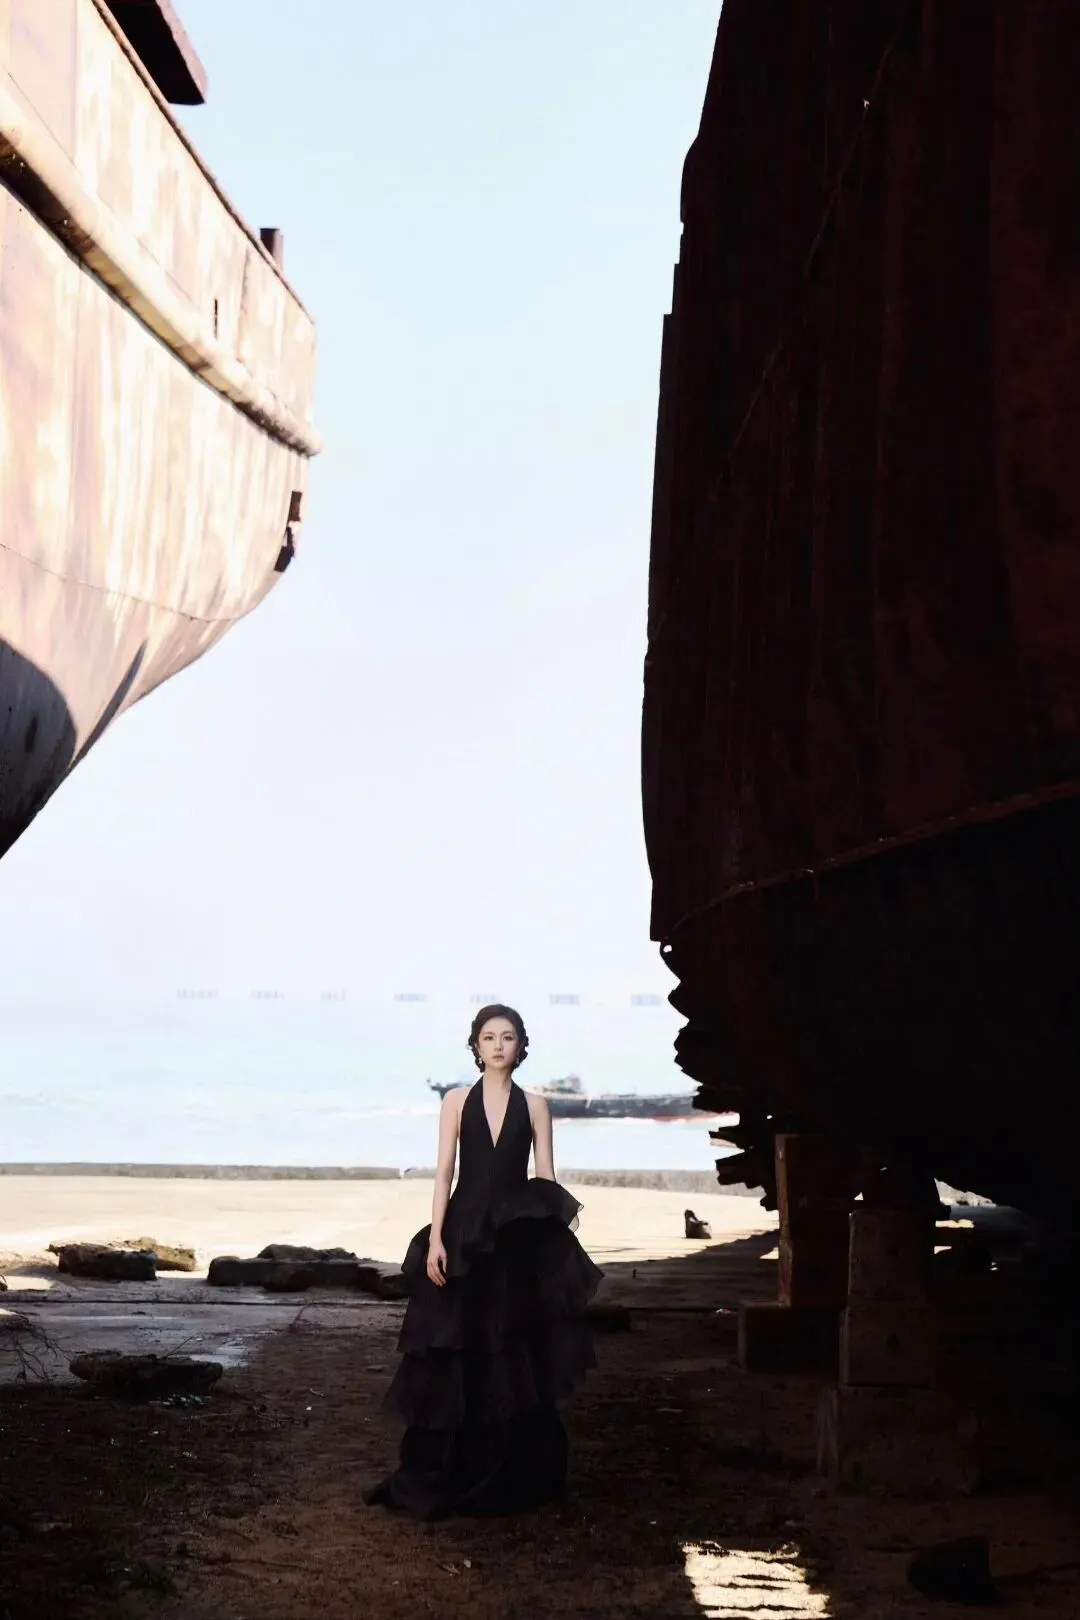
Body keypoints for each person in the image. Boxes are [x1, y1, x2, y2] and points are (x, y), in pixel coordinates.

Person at [365, 1003, 603, 1519]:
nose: (499, 1045)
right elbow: (444, 1173)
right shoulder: (456, 1100)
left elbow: (545, 1178)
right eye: (489, 1037)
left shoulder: (536, 1105)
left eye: (508, 1037)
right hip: (463, 1234)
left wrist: (550, 1246)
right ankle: (450, 1467)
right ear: (475, 1046)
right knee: (457, 1345)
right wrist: (435, 1240)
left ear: (521, 1047)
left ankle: (512, 1469)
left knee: (512, 1349)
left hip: (515, 1239)